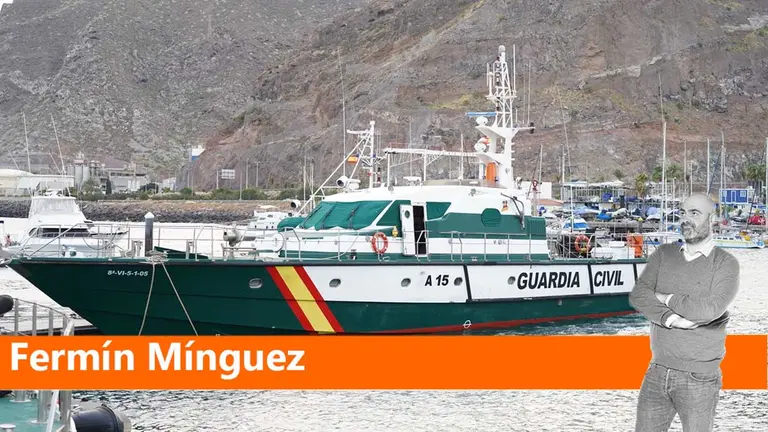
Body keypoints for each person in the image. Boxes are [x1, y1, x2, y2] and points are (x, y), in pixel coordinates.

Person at [628, 193, 740, 432]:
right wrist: (671, 319)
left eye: (695, 213)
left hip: (699, 378)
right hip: (656, 371)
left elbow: (709, 310)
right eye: (683, 212)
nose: (685, 219)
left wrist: (665, 297)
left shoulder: (725, 263)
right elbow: (638, 295)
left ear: (714, 219)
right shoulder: (663, 255)